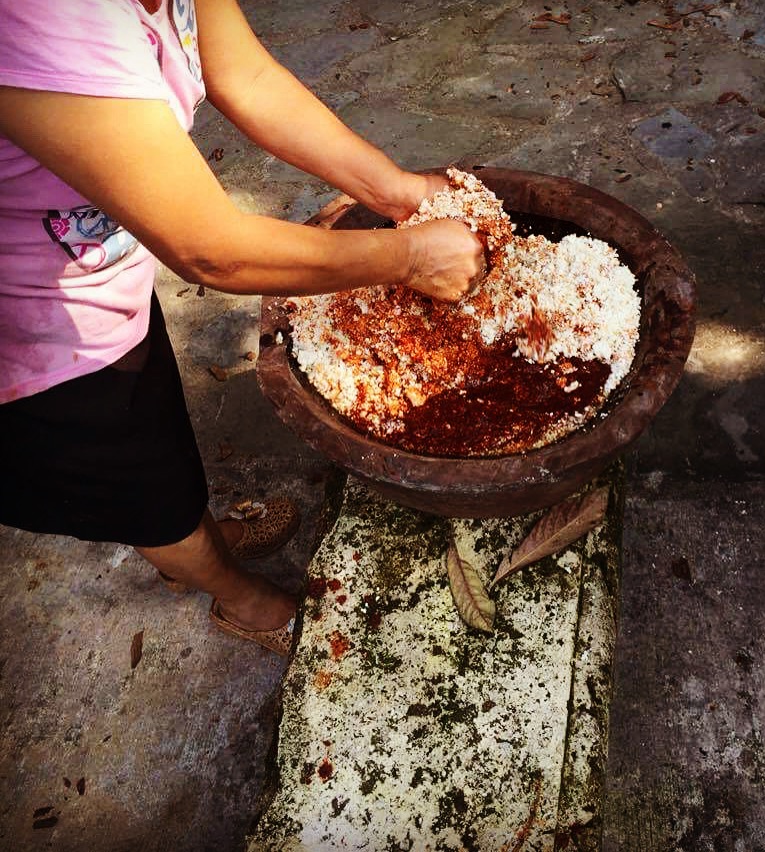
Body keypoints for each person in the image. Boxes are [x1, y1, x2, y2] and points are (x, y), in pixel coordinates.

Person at [0, 0, 484, 657]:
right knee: (137, 489)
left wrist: (398, 192)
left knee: (152, 436)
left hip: (89, 280)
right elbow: (210, 249)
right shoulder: (38, 16)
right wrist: (410, 257)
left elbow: (244, 76)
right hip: (30, 336)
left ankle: (205, 539)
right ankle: (235, 596)